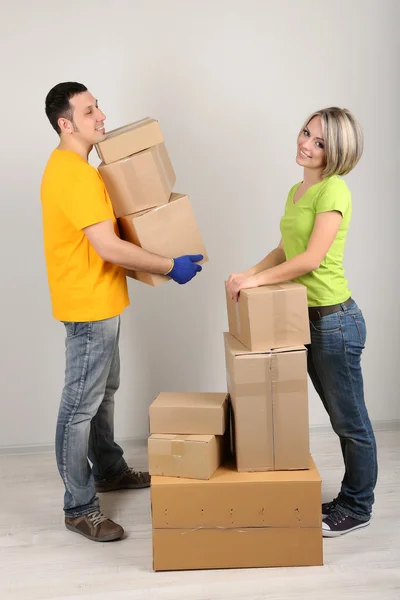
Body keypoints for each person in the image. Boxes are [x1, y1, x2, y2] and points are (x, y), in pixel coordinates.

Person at [41, 82, 203, 543]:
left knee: (103, 393)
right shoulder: (70, 173)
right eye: (90, 111)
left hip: (102, 300)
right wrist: (169, 266)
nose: (102, 116)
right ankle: (79, 507)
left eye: (99, 107)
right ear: (65, 123)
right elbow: (108, 246)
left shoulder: (82, 170)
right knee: (79, 407)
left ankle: (108, 470)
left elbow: (105, 246)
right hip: (89, 307)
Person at [226, 107, 377, 537]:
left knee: (351, 421)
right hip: (303, 320)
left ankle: (358, 506)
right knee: (338, 417)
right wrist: (246, 274)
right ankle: (351, 497)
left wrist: (256, 280)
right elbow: (283, 250)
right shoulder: (298, 190)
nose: (306, 144)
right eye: (306, 133)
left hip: (335, 323)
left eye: (320, 143)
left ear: (337, 153)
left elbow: (310, 259)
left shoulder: (335, 191)